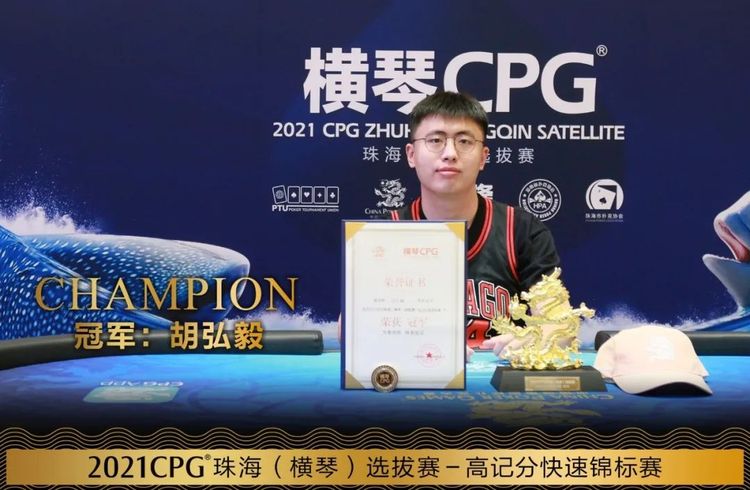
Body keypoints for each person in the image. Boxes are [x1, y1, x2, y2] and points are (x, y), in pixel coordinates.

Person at [390, 91, 562, 359]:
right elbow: (351, 328)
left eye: (464, 141)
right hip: (420, 373)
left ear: (483, 157)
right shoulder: (385, 233)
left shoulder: (521, 230)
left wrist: (535, 337)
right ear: (411, 155)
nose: (450, 153)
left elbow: (560, 324)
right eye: (435, 140)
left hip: (500, 378)